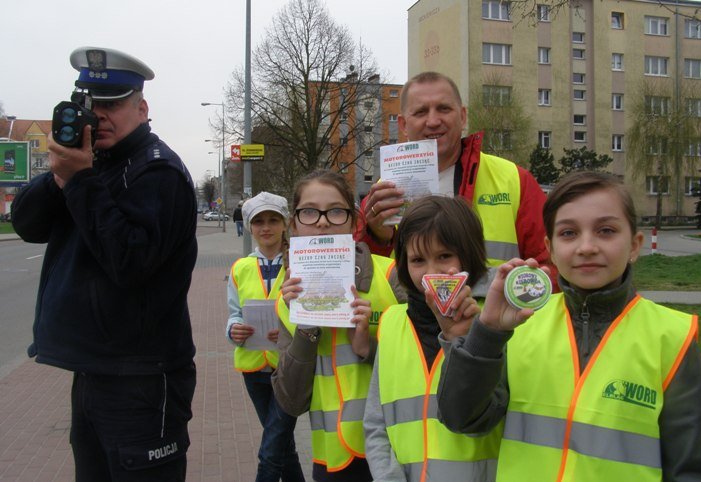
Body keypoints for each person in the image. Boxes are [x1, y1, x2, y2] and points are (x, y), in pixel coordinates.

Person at [436, 171, 701, 481]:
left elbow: (688, 467)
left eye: (605, 230)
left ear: (634, 245)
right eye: (569, 233)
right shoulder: (521, 325)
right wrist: (488, 334)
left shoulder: (677, 336)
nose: (586, 246)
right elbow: (460, 419)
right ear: (549, 248)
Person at [11, 47, 197, 481]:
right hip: (95, 371)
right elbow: (27, 225)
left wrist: (80, 179)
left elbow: (130, 263)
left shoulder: (158, 172)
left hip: (144, 379)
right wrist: (62, 175)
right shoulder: (92, 164)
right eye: (90, 104)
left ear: (142, 107)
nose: (99, 116)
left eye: (113, 103)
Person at [271, 170, 406, 482]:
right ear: (294, 223)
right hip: (332, 459)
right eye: (309, 212)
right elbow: (292, 401)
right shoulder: (286, 299)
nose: (321, 221)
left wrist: (367, 347)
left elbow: (430, 358)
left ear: (353, 221)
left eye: (335, 211)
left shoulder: (391, 276)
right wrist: (304, 327)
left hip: (394, 449)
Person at [357, 71, 554, 281]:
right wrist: (378, 238)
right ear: (404, 125)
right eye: (421, 112)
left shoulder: (514, 180)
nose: (433, 121)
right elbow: (367, 281)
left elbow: (551, 266)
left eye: (443, 109)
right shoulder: (381, 194)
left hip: (495, 314)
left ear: (462, 116)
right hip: (409, 314)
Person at [364, 196, 502, 482]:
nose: (431, 273)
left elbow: (486, 417)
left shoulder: (493, 322)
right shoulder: (392, 321)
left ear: (469, 255)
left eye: (444, 256)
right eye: (417, 260)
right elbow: (377, 423)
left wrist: (463, 341)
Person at [226, 191, 305, 482]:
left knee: (271, 451)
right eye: (259, 222)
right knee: (283, 446)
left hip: (288, 367)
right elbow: (234, 313)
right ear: (250, 226)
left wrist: (288, 331)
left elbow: (309, 314)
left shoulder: (300, 264)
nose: (266, 227)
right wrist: (233, 330)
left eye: (273, 220)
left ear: (285, 224)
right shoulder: (240, 268)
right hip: (253, 368)